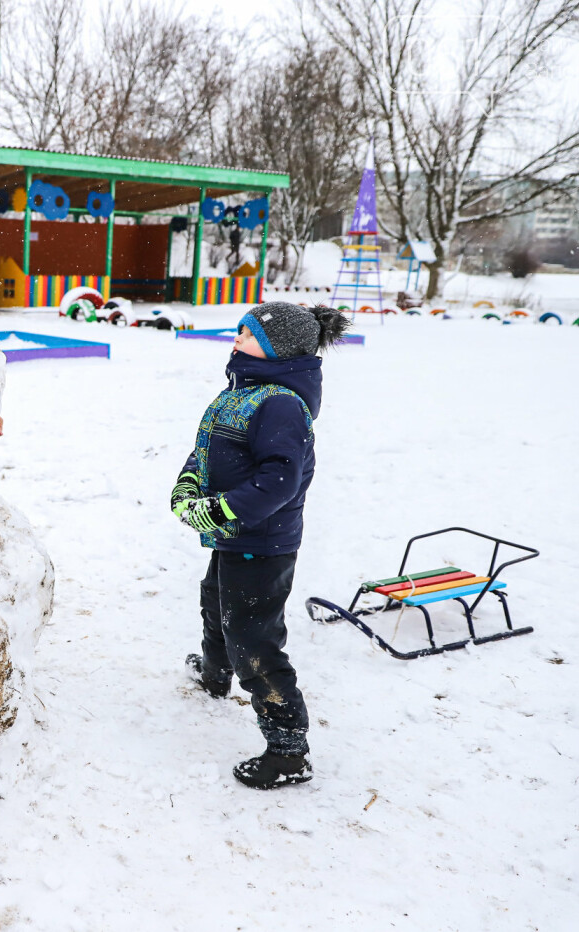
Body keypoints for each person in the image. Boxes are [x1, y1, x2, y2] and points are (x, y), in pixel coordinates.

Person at [170, 302, 349, 790]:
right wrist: (189, 485)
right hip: (236, 536)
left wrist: (224, 510)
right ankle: (214, 673)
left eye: (247, 335)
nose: (236, 340)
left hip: (263, 543)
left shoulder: (281, 405)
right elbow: (204, 449)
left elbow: (280, 481)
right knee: (215, 603)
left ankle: (288, 751)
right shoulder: (243, 392)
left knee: (254, 639)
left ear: (276, 348)